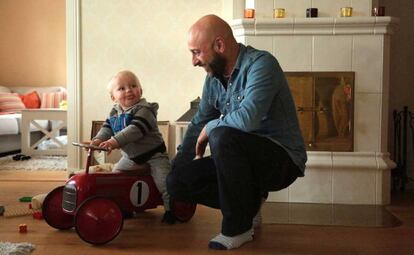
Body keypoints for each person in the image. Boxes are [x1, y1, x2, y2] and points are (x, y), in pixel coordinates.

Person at [166, 15, 307, 250]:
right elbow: (199, 122)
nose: (193, 61)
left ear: (219, 45)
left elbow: (247, 119)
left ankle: (238, 228)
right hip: (239, 160)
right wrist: (178, 166)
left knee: (222, 134)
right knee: (177, 182)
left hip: (281, 160)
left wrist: (211, 128)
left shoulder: (262, 64)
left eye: (197, 52)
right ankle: (249, 204)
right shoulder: (213, 79)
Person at [91, 70, 175, 224]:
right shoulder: (115, 112)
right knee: (117, 175)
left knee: (164, 182)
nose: (129, 90)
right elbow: (107, 128)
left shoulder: (145, 110)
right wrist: (96, 140)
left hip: (154, 155)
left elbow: (134, 131)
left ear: (140, 91)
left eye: (133, 86)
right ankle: (125, 206)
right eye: (122, 88)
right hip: (131, 156)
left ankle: (171, 209)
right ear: (113, 97)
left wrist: (113, 142)